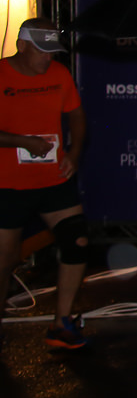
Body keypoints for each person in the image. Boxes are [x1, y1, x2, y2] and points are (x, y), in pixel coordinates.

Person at [0, 18, 89, 349]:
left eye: (52, 51)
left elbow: (77, 115)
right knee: (6, 259)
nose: (48, 58)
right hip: (8, 184)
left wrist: (74, 153)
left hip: (53, 179)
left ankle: (61, 323)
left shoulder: (59, 74)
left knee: (77, 240)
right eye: (41, 51)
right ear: (21, 46)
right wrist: (21, 142)